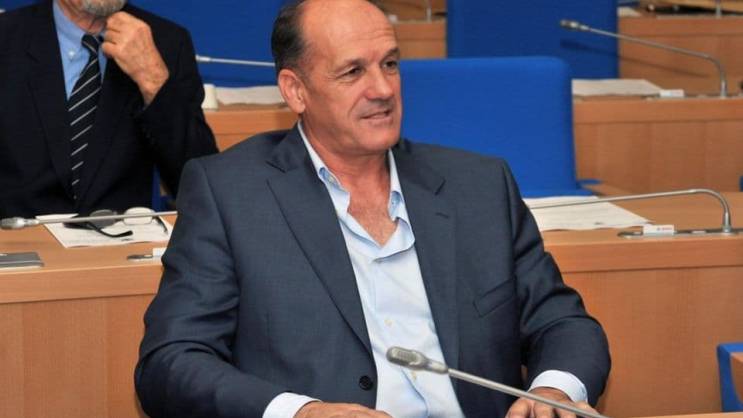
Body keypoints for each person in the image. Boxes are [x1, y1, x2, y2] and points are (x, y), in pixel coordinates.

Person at [135, 0, 610, 417]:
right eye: (353, 72)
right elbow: (171, 362)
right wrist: (301, 412)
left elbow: (563, 323)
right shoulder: (229, 194)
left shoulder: (479, 186)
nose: (382, 89)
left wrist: (553, 390)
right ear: (296, 90)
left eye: (390, 64)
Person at [0, 0, 217, 218]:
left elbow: (202, 185)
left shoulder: (165, 41)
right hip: (16, 232)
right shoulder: (7, 36)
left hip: (122, 234)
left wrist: (153, 79)